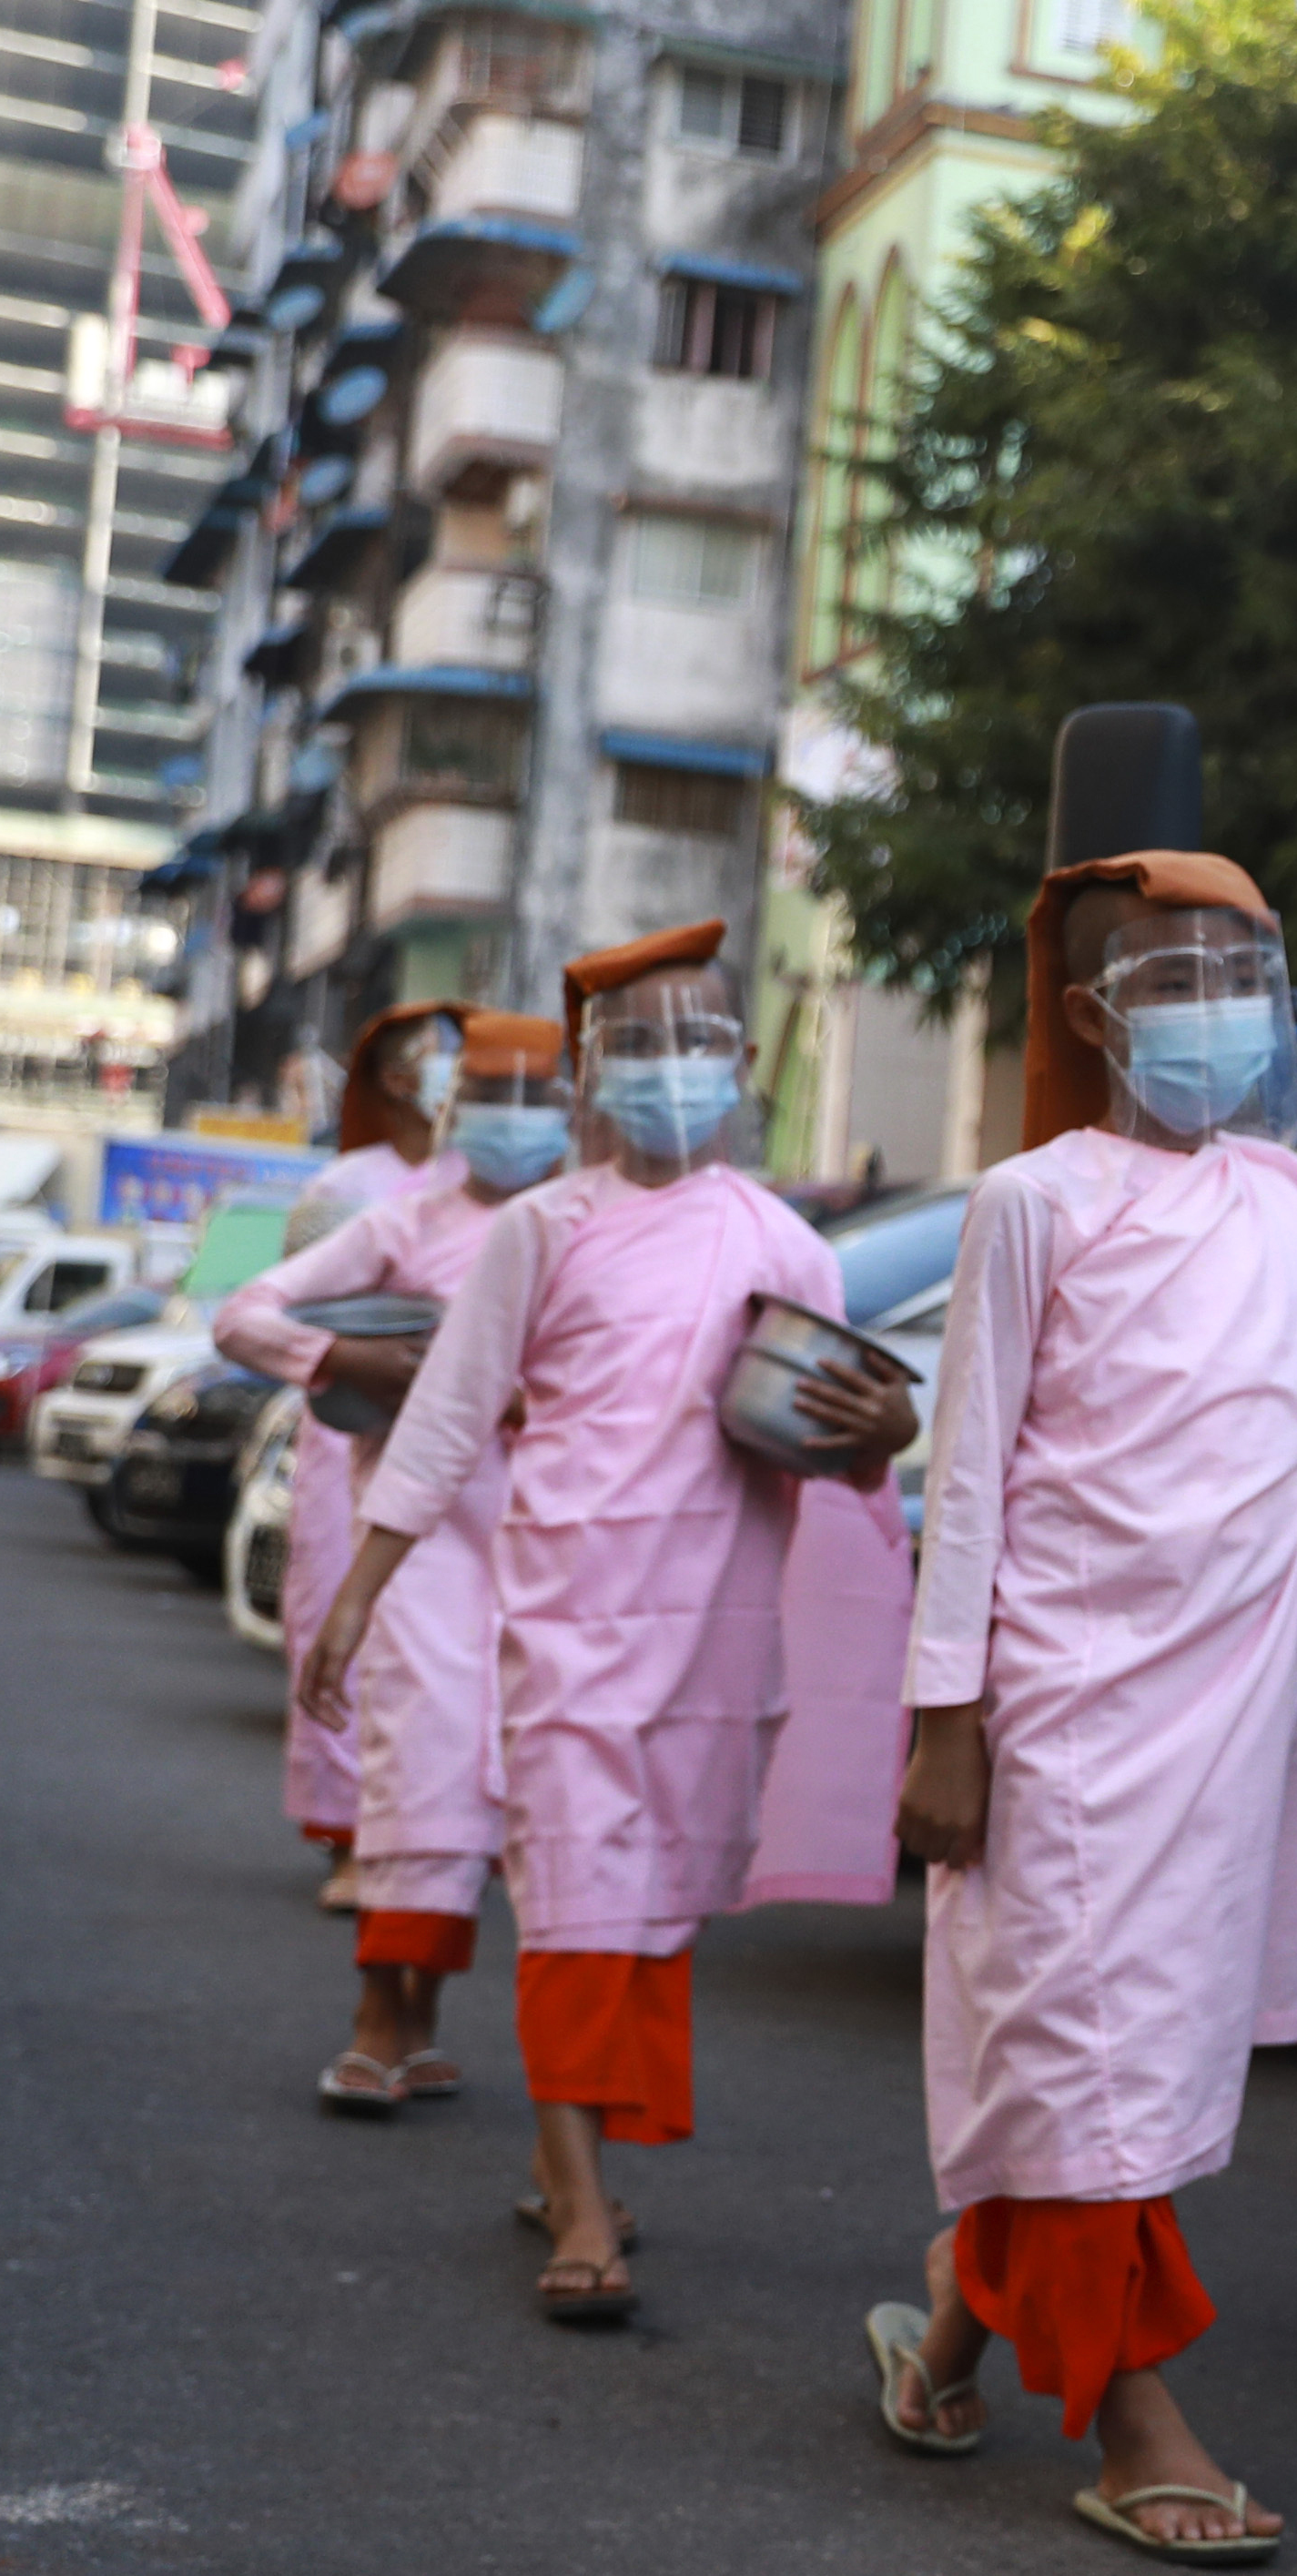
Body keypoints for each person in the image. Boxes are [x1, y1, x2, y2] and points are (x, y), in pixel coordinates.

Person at [858, 847, 1297, 2560]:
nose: (1221, 1012)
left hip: (1230, 1719)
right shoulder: (1034, 1202)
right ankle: (1133, 2423)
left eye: (1244, 977)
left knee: (1116, 2052)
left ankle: (949, 2340)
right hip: (1062, 1711)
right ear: (1094, 1015)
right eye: (1179, 980)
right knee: (1083, 2055)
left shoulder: (1288, 1200)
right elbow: (969, 1476)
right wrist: (946, 1722)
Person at [304, 922, 917, 2321]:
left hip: (719, 1637)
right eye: (635, 1044)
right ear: (589, 1071)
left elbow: (831, 1439)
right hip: (568, 1622)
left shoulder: (781, 1242)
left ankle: (561, 2150)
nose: (666, 1066)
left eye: (693, 1038)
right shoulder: (541, 1229)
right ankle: (582, 2207)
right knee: (575, 1894)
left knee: (652, 1908)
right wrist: (356, 1596)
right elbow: (449, 1415)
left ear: (741, 1061)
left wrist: (884, 1436)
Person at [221, 1012, 574, 2111]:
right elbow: (243, 1315)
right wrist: (346, 1354)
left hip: (561, 1548)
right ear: (452, 1107)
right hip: (416, 1543)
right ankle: (380, 2014)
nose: (513, 1121)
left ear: (573, 1111)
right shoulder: (401, 1219)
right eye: (491, 1095)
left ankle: (423, 2015)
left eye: (536, 1098)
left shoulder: (588, 1229)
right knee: (421, 1765)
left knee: (506, 1789)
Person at [277, 1003, 469, 1912]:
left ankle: (447, 1825)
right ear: (397, 1079)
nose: (459, 1071)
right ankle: (351, 1837)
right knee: (341, 1617)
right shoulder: (344, 1189)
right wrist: (359, 1359)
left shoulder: (494, 1192)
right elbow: (290, 1311)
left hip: (467, 1447)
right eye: (443, 1057)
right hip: (351, 1433)